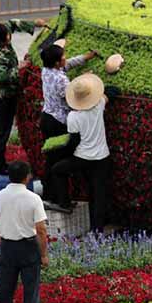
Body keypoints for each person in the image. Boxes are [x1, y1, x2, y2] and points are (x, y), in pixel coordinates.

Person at [0, 160, 48, 303]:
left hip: (7, 248)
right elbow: (41, 230)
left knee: (4, 294)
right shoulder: (33, 199)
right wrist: (44, 255)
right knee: (31, 295)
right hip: (28, 249)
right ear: (27, 176)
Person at [0, 19, 47, 174]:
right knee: (1, 134)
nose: (9, 35)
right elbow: (3, 78)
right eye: (7, 35)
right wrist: (19, 67)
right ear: (2, 40)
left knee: (2, 132)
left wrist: (35, 24)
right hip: (0, 99)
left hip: (4, 97)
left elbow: (12, 23)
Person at [50, 73, 112, 231]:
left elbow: (74, 141)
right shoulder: (98, 105)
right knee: (99, 194)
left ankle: (64, 201)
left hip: (82, 158)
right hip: (102, 158)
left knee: (57, 170)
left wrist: (64, 153)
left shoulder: (73, 117)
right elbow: (110, 94)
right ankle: (97, 230)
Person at [39, 44, 97, 206]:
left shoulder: (47, 70)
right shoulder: (61, 80)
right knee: (60, 163)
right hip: (58, 124)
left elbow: (69, 63)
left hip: (47, 119)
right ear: (57, 63)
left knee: (51, 160)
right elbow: (74, 100)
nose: (66, 58)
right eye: (63, 57)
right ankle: (62, 201)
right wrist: (84, 80)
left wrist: (87, 56)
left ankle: (49, 195)